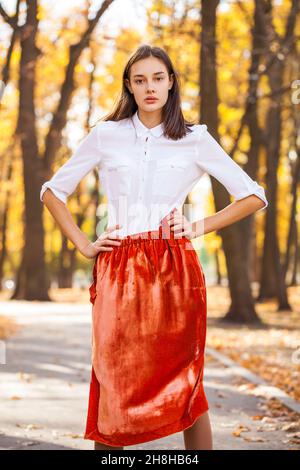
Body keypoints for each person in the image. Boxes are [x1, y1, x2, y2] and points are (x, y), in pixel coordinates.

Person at [40, 44, 268, 451]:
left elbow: (253, 196)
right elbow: (52, 191)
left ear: (170, 83)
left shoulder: (195, 139)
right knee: (114, 379)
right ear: (129, 85)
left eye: (158, 78)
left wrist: (196, 227)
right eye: (140, 79)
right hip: (119, 265)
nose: (150, 87)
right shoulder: (105, 135)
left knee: (186, 380)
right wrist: (84, 245)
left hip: (174, 266)